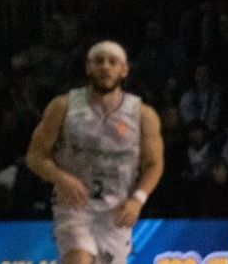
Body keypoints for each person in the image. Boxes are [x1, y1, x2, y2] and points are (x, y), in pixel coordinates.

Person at [26, 41, 164, 264]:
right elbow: (35, 156)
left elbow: (154, 164)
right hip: (74, 208)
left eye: (113, 62)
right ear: (88, 67)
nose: (105, 67)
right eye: (99, 61)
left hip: (116, 211)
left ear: (124, 69)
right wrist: (60, 177)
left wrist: (138, 200)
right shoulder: (63, 106)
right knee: (78, 259)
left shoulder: (143, 114)